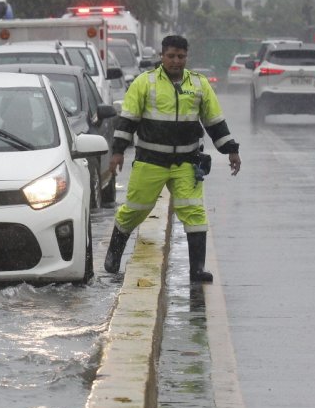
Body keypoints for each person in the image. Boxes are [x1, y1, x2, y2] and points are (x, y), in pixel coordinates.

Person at [103, 35, 242, 283]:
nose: (176, 61)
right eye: (171, 56)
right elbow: (128, 120)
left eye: (181, 56)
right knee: (135, 210)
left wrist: (231, 149)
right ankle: (113, 256)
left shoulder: (199, 84)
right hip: (150, 162)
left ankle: (197, 270)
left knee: (194, 213)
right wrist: (117, 152)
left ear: (186, 57)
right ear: (161, 56)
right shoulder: (144, 83)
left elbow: (214, 121)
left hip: (186, 163)